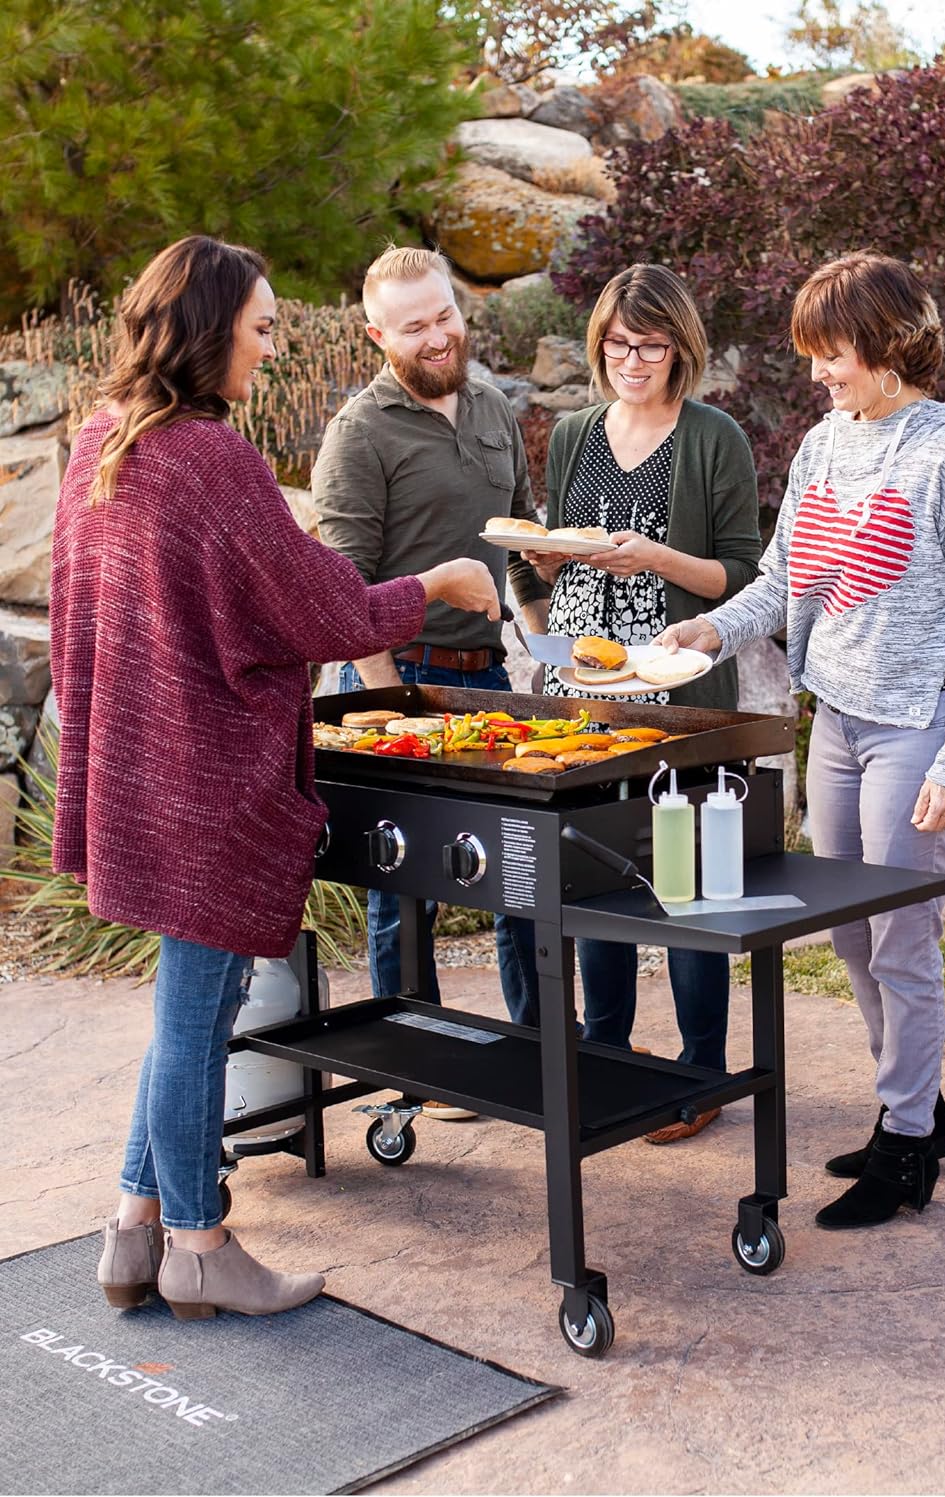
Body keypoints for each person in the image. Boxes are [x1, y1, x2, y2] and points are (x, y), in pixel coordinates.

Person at [51, 236, 502, 1318]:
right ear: (210, 331)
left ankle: (132, 1231)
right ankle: (200, 1243)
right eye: (259, 329)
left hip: (137, 771)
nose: (269, 349)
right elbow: (321, 610)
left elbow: (77, 621)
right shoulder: (208, 457)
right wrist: (435, 584)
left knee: (191, 1009)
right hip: (207, 782)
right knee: (197, 1020)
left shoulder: (103, 440)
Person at [658, 251, 945, 1227]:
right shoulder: (824, 445)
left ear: (890, 347)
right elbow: (784, 581)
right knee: (850, 930)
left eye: (832, 353)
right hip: (839, 719)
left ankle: (906, 1143)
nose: (818, 372)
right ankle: (914, 1107)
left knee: (902, 938)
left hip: (915, 726)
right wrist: (709, 630)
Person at [516, 263, 763, 1142]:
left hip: (676, 692)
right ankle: (606, 1052)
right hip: (585, 693)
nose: (631, 360)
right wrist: (548, 564)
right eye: (617, 344)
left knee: (684, 883)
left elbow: (742, 574)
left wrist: (654, 557)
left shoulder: (714, 437)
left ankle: (700, 1073)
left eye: (650, 345)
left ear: (680, 348)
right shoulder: (574, 432)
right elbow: (561, 554)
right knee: (596, 875)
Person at [313, 246, 551, 1115]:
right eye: (414, 325)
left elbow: (517, 546)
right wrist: (386, 708)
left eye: (444, 314)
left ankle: (537, 1054)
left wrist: (549, 639)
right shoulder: (359, 433)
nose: (437, 335)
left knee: (517, 871)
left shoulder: (490, 407)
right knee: (406, 885)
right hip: (396, 679)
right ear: (377, 335)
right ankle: (412, 1070)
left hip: (488, 677)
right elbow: (343, 593)